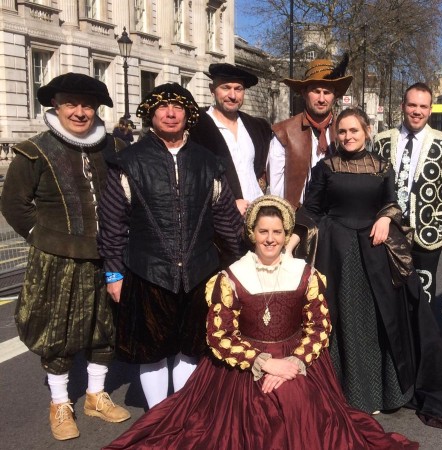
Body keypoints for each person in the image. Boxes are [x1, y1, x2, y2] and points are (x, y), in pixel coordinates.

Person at [105, 195, 418, 450]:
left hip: (298, 359)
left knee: (298, 403)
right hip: (244, 365)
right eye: (264, 231)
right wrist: (267, 363)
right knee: (248, 417)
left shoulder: (304, 273)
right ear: (251, 233)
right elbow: (219, 336)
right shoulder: (231, 277)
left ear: (286, 235)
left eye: (278, 232)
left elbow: (320, 327)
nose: (271, 239)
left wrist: (293, 364)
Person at [302, 108, 442, 431]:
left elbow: (392, 201)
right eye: (342, 132)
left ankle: (380, 392)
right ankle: (344, 390)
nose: (348, 136)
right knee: (340, 319)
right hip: (335, 251)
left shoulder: (382, 167)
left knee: (376, 320)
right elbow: (311, 208)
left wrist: (385, 216)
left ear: (367, 131)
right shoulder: (324, 168)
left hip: (374, 249)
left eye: (354, 130)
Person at [0, 73, 130, 441]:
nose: (80, 112)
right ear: (55, 105)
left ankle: (95, 395)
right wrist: (40, 237)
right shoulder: (33, 150)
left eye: (87, 105)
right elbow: (14, 204)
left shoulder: (114, 148)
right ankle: (60, 402)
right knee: (57, 332)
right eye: (71, 103)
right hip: (57, 259)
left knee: (106, 327)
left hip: (108, 255)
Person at [97, 83, 243, 409]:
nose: (170, 113)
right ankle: (158, 414)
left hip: (200, 271)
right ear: (151, 114)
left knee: (191, 347)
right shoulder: (129, 161)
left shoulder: (208, 162)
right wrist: (113, 275)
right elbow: (112, 225)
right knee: (152, 351)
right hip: (147, 270)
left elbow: (227, 221)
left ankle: (183, 412)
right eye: (162, 107)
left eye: (178, 107)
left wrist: (238, 269)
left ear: (188, 115)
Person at [373, 83, 442, 304]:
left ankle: (422, 339)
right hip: (390, 231)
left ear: (430, 110)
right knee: (391, 294)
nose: (417, 111)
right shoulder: (381, 141)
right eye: (412, 105)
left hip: (428, 231)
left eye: (423, 106)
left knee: (423, 298)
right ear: (403, 106)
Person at [268, 56, 352, 208]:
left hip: (334, 217)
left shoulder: (344, 131)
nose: (321, 99)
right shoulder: (284, 132)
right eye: (316, 91)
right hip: (296, 217)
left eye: (326, 92)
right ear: (305, 93)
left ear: (335, 96)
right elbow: (276, 185)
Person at [190, 63, 272, 215]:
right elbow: (192, 178)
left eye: (238, 89)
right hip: (222, 218)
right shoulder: (197, 127)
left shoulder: (257, 127)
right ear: (212, 90)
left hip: (257, 213)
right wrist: (228, 204)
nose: (232, 96)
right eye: (226, 88)